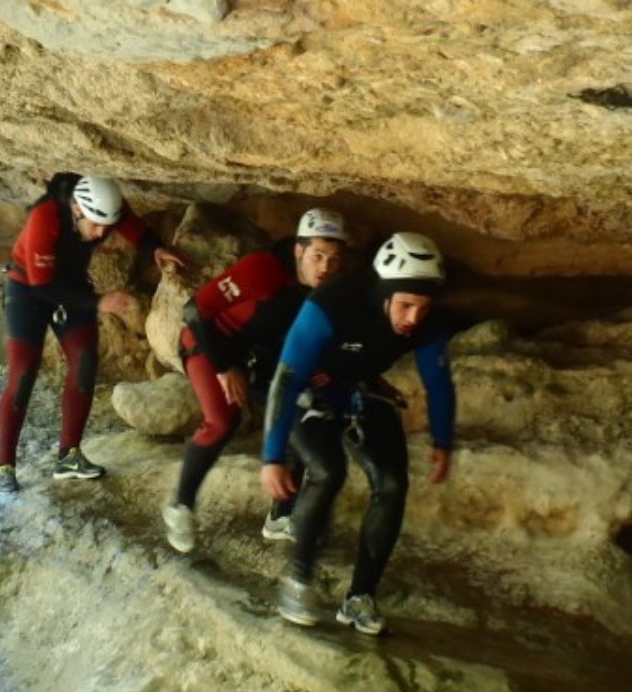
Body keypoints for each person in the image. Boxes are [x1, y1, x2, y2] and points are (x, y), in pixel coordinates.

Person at [259, 232, 458, 635]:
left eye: (422, 307)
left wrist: (442, 441)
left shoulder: (426, 321)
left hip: (359, 388)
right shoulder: (334, 301)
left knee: (392, 482)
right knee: (329, 470)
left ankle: (360, 597)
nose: (412, 319)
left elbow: (438, 383)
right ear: (384, 294)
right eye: (405, 305)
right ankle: (298, 580)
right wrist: (272, 456)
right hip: (306, 385)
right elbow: (286, 378)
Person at [162, 208, 350, 553]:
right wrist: (223, 366)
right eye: (317, 255)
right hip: (209, 344)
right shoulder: (262, 269)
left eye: (333, 258)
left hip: (257, 353)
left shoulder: (327, 288)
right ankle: (180, 505)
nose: (325, 266)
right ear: (299, 250)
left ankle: (280, 517)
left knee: (297, 410)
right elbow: (194, 311)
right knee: (223, 419)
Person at [0, 174, 188, 490]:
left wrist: (156, 248)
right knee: (23, 372)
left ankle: (69, 455)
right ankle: (5, 466)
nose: (100, 234)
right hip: (28, 287)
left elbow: (133, 228)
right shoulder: (44, 217)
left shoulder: (105, 209)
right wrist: (99, 303)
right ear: (76, 209)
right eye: (95, 225)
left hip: (70, 286)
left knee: (85, 360)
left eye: (106, 227)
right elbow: (42, 287)